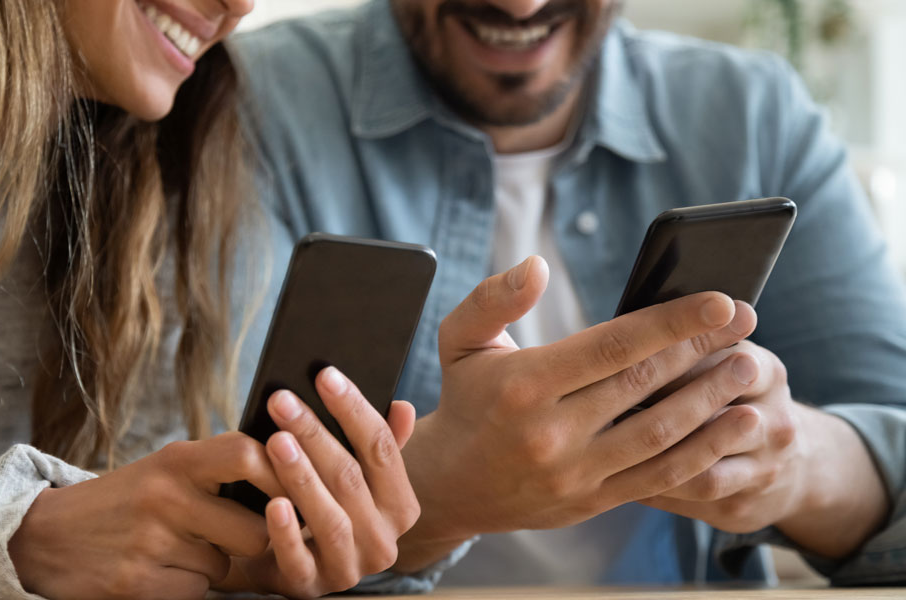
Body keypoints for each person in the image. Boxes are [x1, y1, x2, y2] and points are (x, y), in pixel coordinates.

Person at [234, 0, 906, 590]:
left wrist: (797, 463)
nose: (522, 6)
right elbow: (203, 522)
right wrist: (443, 489)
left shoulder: (754, 111)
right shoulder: (246, 100)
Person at [0, 1, 420, 598]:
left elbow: (123, 540)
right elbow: (56, 547)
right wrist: (17, 540)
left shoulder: (174, 162)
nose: (240, 6)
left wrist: (230, 561)